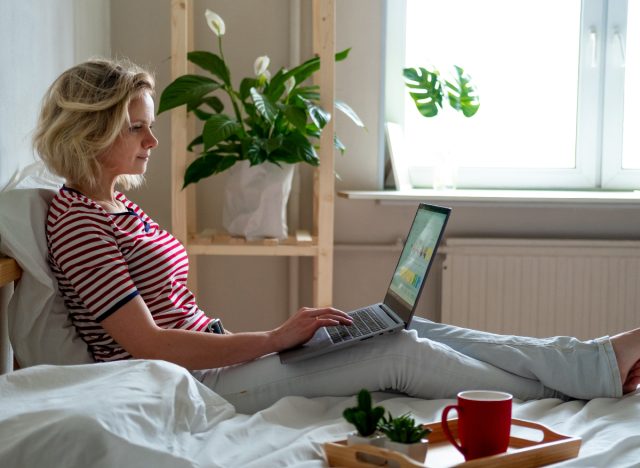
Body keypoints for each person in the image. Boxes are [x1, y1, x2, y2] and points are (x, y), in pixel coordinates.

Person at [34, 58, 640, 414]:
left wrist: (272, 343)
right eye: (137, 128)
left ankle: (591, 362)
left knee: (410, 326)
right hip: (191, 385)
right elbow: (148, 344)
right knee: (399, 354)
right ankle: (575, 390)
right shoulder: (80, 223)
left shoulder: (112, 208)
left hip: (217, 362)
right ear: (91, 133)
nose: (152, 141)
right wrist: (272, 338)